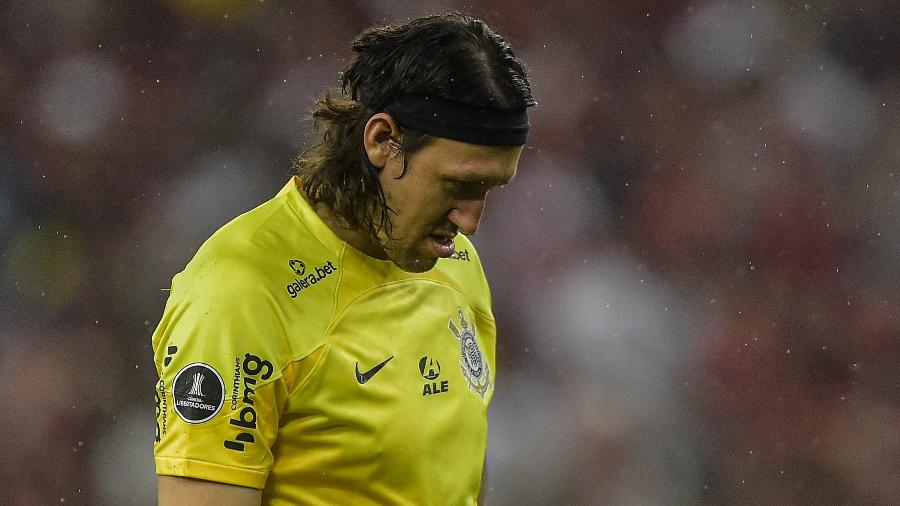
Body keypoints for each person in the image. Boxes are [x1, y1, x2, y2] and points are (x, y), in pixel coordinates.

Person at [152, 12, 535, 505]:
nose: (470, 222)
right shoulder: (239, 294)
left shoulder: (457, 265)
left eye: (489, 190)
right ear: (382, 141)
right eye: (458, 186)